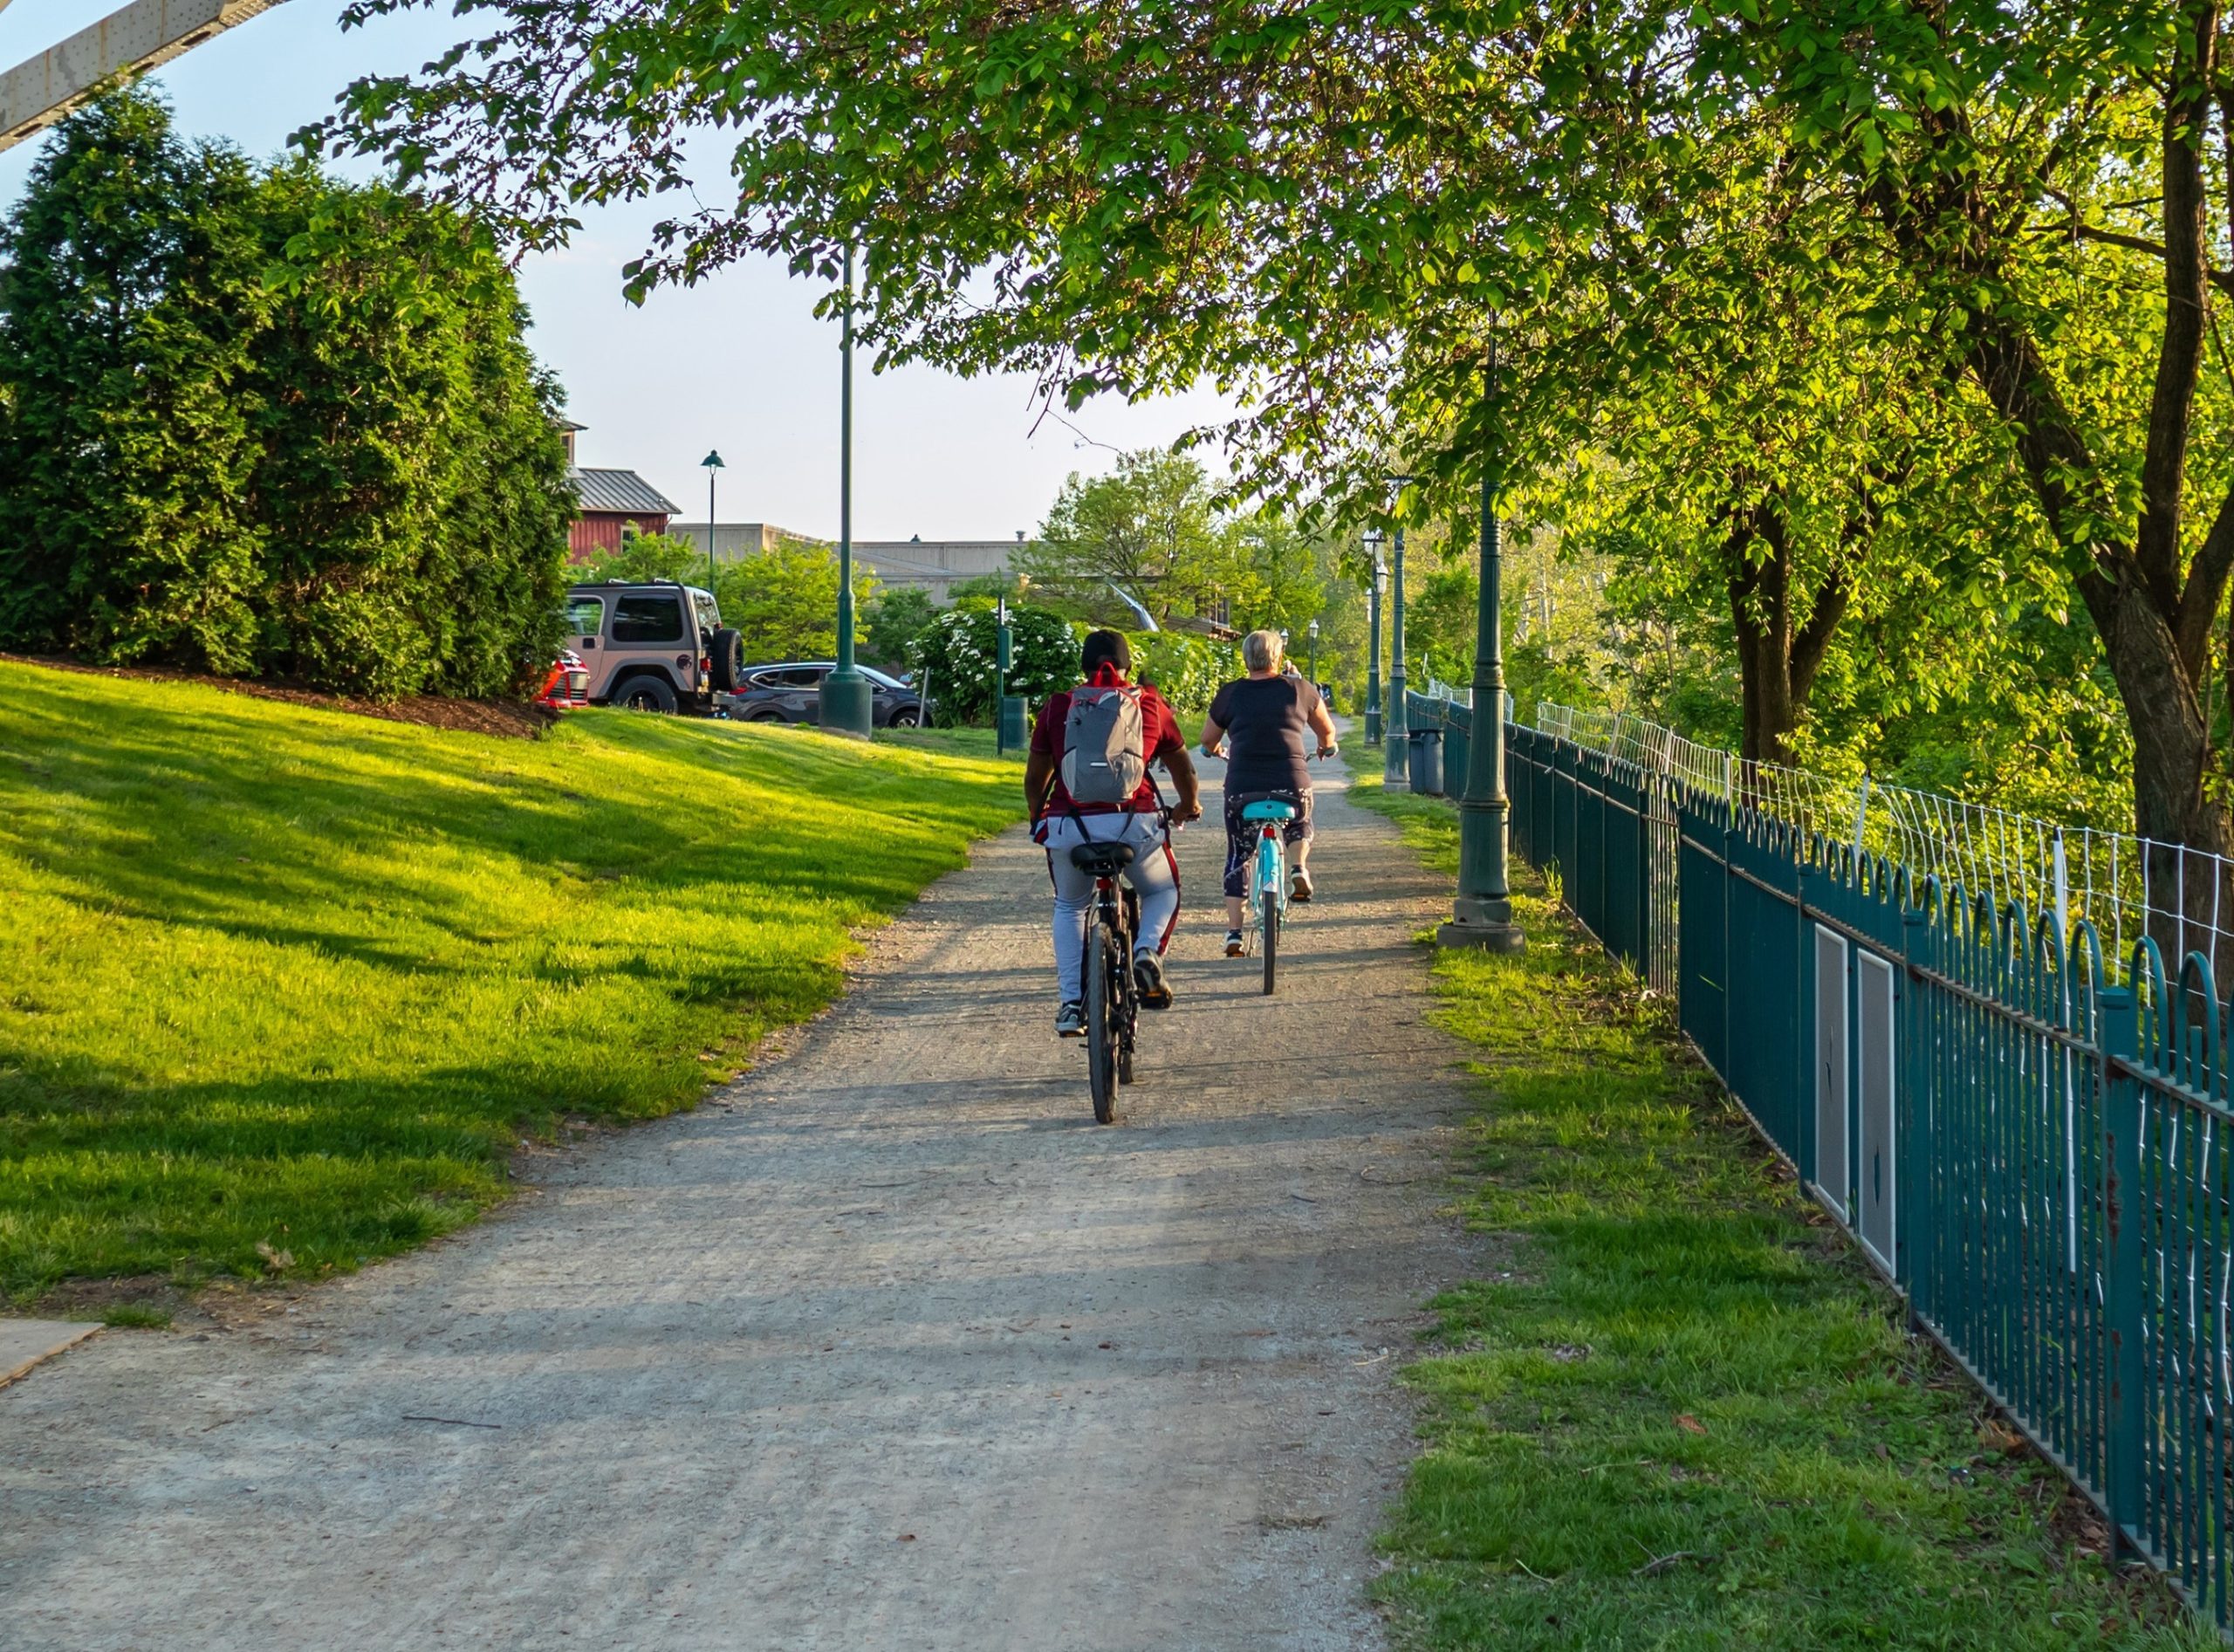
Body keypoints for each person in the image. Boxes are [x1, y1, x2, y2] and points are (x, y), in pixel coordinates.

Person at [1026, 630, 1203, 1037]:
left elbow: (1036, 778)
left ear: (1083, 667)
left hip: (1070, 826)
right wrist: (1188, 806)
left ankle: (1072, 1003)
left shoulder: (1058, 707)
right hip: (1134, 823)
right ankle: (1146, 952)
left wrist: (1040, 818)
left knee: (1070, 906)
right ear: (1128, 666)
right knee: (1162, 891)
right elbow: (1184, 770)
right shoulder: (1150, 704)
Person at [1199, 627, 1338, 956]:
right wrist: (1325, 747)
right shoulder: (1300, 689)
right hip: (1290, 781)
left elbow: (1207, 740)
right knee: (1301, 822)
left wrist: (1216, 750)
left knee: (1238, 853)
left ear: (1246, 659)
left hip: (1242, 786)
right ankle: (1297, 867)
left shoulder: (1231, 693)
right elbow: (1327, 732)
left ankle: (1234, 933)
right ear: (1278, 657)